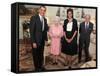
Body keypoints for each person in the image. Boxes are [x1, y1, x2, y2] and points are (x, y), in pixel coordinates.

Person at [29, 6, 48, 71]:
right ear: (39, 10)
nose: (43, 11)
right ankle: (36, 68)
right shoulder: (34, 18)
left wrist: (46, 40)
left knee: (41, 54)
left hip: (42, 41)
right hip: (35, 41)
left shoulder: (45, 19)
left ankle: (41, 66)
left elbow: (45, 31)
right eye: (42, 10)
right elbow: (31, 31)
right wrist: (33, 42)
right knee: (35, 55)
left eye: (44, 10)